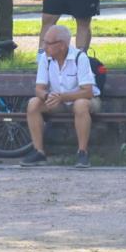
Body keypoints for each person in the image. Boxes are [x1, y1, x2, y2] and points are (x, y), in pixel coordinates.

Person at [20, 25, 101, 169]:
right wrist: (46, 96)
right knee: (33, 103)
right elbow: (39, 89)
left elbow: (88, 92)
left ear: (62, 45)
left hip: (84, 100)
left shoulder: (79, 58)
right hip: (58, 100)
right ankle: (39, 152)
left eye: (48, 43)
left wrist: (62, 97)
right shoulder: (46, 58)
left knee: (80, 105)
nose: (44, 47)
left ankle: (82, 153)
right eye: (44, 42)